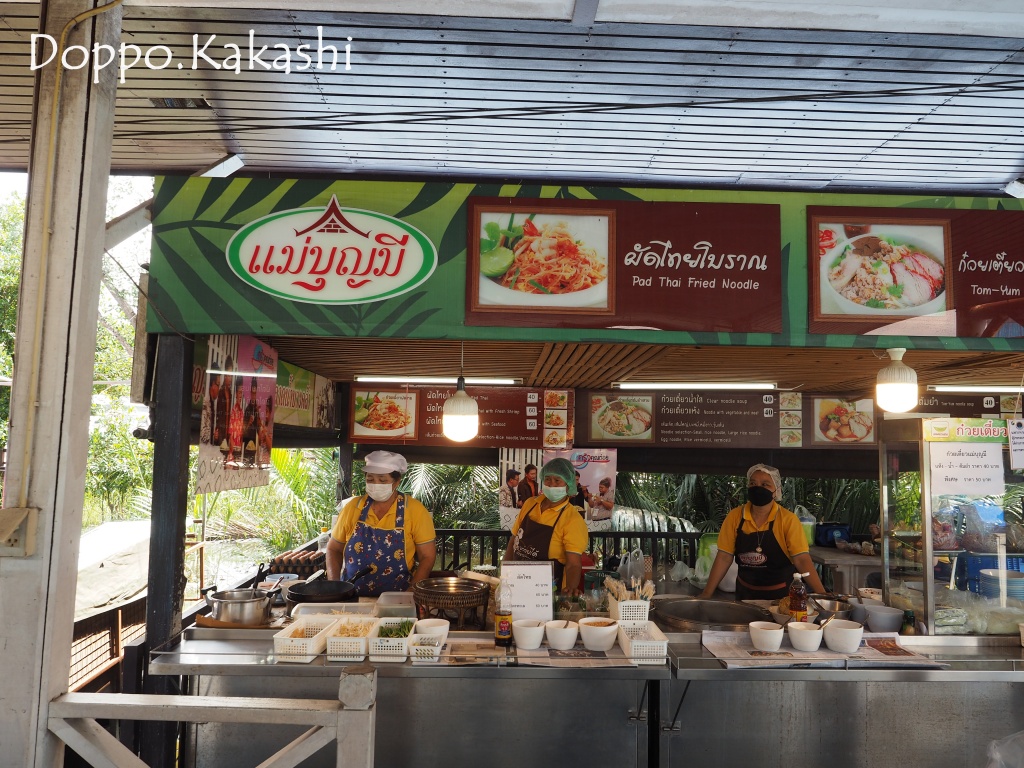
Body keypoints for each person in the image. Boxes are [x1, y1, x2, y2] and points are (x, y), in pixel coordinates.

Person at [699, 463, 825, 601]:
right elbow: (724, 557)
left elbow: (801, 559)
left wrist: (822, 595)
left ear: (776, 491)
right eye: (753, 483)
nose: (757, 488)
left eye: (765, 484)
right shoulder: (735, 517)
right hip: (745, 595)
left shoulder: (788, 520)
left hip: (781, 597)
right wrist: (707, 594)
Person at [325, 450, 436, 596]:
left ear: (397, 482)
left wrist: (411, 593)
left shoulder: (415, 510)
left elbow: (427, 557)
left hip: (399, 598)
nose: (375, 484)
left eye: (382, 480)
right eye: (370, 479)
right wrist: (335, 586)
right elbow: (334, 549)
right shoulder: (352, 508)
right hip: (352, 596)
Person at [504, 457, 589, 594]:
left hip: (547, 593)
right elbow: (513, 541)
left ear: (568, 484)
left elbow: (573, 563)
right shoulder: (530, 504)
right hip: (516, 584)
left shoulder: (573, 519)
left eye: (557, 480)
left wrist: (571, 589)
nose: (552, 484)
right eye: (548, 479)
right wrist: (505, 574)